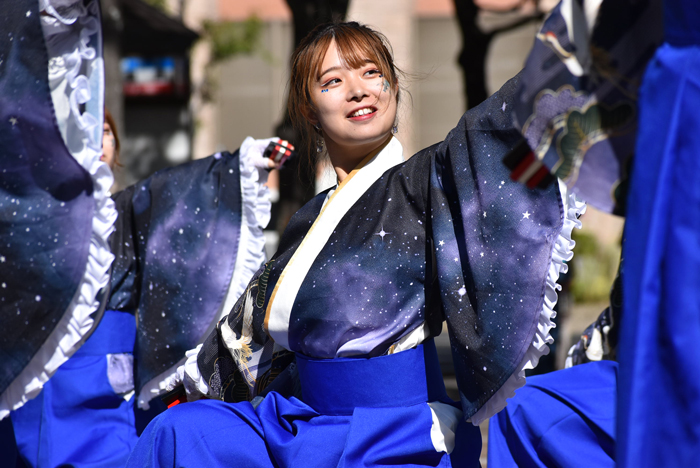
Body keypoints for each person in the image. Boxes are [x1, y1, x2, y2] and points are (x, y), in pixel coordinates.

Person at [126, 22, 581, 467]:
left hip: (396, 432)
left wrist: (580, 35)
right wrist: (195, 389)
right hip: (308, 424)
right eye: (332, 81)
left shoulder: (428, 181)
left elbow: (499, 126)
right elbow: (256, 324)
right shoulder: (308, 219)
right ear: (309, 110)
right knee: (179, 431)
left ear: (393, 87)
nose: (358, 90)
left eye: (370, 73)